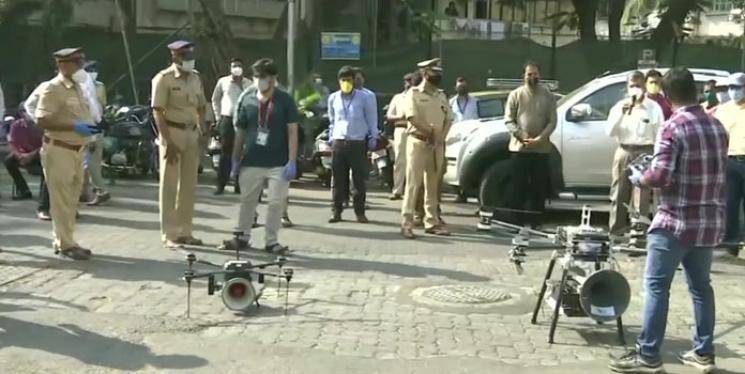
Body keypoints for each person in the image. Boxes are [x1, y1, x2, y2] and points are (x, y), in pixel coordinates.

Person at [609, 67, 727, 374]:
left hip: (674, 221)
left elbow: (660, 176)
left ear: (667, 95)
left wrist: (638, 178)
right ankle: (704, 353)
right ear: (696, 91)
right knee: (701, 288)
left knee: (657, 287)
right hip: (707, 222)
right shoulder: (717, 126)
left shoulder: (673, 127)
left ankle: (648, 354)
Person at [220, 58, 298, 254]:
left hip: (278, 163)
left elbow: (292, 132)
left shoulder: (285, 100)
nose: (259, 81)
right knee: (247, 199)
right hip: (252, 160)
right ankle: (242, 236)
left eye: (263, 77)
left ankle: (271, 241)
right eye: (256, 77)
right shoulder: (247, 99)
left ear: (273, 79)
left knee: (275, 203)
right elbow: (240, 132)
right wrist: (235, 160)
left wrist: (292, 160)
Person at [35, 47, 99, 260]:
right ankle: (65, 244)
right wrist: (74, 126)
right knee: (61, 200)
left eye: (81, 62)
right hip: (59, 148)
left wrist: (89, 133)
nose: (81, 67)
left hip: (77, 150)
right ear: (63, 65)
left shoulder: (77, 88)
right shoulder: (52, 88)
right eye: (77, 63)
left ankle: (66, 240)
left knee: (72, 200)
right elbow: (42, 119)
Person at [151, 40, 208, 249]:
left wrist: (202, 129)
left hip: (191, 133)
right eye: (185, 56)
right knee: (169, 186)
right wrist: (167, 140)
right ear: (175, 57)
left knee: (189, 186)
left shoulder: (196, 78)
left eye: (191, 56)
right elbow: (158, 111)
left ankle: (186, 232)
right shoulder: (163, 79)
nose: (189, 60)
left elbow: (202, 105)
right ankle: (170, 234)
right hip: (172, 133)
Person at [606, 71, 665, 241]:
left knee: (642, 196)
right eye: (632, 86)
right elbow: (609, 132)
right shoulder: (619, 107)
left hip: (645, 152)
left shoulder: (653, 108)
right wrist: (622, 114)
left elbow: (659, 134)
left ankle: (637, 236)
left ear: (645, 86)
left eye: (638, 85)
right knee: (619, 192)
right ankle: (615, 233)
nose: (635, 89)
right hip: (624, 150)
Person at [400, 58, 453, 239]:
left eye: (439, 74)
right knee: (413, 184)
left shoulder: (441, 95)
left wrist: (440, 137)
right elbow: (412, 118)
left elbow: (449, 119)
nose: (437, 77)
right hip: (418, 142)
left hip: (436, 145)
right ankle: (407, 223)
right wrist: (429, 133)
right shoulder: (413, 94)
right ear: (424, 74)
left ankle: (432, 222)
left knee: (432, 185)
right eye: (433, 73)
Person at [504, 61, 557, 226]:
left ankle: (535, 221)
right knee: (517, 186)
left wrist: (540, 138)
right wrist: (522, 136)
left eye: (535, 74)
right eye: (529, 74)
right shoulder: (516, 94)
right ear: (524, 76)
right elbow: (508, 120)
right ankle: (515, 221)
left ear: (539, 75)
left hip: (541, 149)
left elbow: (552, 122)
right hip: (519, 148)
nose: (532, 77)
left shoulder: (548, 96)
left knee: (538, 188)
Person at [327, 66, 378, 223]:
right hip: (339, 142)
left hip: (357, 143)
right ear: (339, 81)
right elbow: (332, 120)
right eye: (343, 80)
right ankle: (336, 211)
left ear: (353, 81)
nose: (346, 83)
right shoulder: (333, 98)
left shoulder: (365, 98)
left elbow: (372, 119)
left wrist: (373, 137)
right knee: (338, 179)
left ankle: (360, 212)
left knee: (358, 180)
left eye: (348, 80)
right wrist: (331, 136)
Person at [211, 57, 252, 195]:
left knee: (242, 152)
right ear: (230, 68)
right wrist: (218, 117)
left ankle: (239, 185)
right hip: (227, 119)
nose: (237, 68)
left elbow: (252, 100)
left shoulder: (249, 84)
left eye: (239, 65)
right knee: (225, 153)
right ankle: (220, 185)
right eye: (234, 65)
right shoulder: (223, 81)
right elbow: (215, 99)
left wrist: (240, 85)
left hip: (243, 121)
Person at [715, 72, 745, 257]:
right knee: (730, 204)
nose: (733, 91)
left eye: (737, 88)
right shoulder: (723, 110)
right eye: (730, 88)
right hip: (730, 161)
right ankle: (731, 244)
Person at [81, 60, 110, 206]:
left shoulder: (100, 86)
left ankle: (101, 190)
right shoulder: (81, 87)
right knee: (86, 163)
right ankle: (85, 192)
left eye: (95, 69)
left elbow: (101, 108)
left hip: (94, 126)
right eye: (90, 70)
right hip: (84, 126)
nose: (93, 72)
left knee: (92, 162)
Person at [385, 72, 417, 201]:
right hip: (401, 129)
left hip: (415, 130)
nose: (408, 84)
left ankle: (412, 191)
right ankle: (397, 190)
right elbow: (389, 115)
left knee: (414, 161)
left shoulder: (417, 97)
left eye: (411, 81)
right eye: (406, 81)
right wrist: (399, 117)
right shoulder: (398, 97)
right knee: (399, 160)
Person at [24, 80, 53, 220]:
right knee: (49, 171)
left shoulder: (80, 88)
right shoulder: (48, 86)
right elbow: (29, 105)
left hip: (74, 136)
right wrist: (39, 122)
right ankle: (44, 207)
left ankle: (67, 207)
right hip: (53, 134)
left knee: (70, 175)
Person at [4, 105, 43, 201]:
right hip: (22, 156)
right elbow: (12, 144)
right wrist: (20, 156)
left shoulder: (42, 126)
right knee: (8, 160)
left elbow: (46, 144)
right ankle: (24, 190)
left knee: (49, 161)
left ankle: (44, 194)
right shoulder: (16, 125)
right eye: (25, 111)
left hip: (39, 155)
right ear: (22, 113)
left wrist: (31, 155)